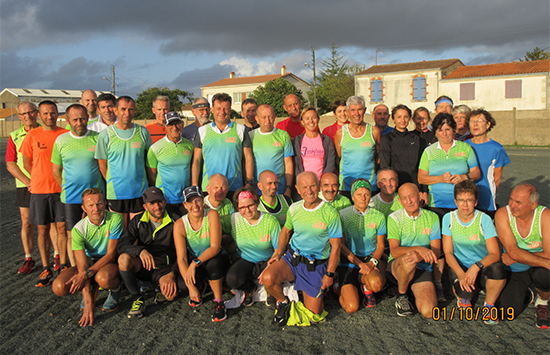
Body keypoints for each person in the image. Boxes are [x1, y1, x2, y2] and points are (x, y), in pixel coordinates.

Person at [260, 171, 343, 326]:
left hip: (315, 264)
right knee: (267, 278)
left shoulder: (330, 213)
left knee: (314, 314)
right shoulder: (294, 208)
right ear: (297, 189)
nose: (309, 191)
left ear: (318, 186)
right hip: (292, 258)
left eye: (312, 186)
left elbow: (336, 247)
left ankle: (303, 290)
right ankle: (283, 302)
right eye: (304, 187)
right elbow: (285, 231)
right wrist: (278, 253)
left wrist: (329, 274)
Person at [51, 188, 123, 327]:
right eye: (90, 205)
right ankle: (91, 288)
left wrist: (86, 275)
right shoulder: (78, 229)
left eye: (99, 204)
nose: (96, 209)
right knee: (59, 287)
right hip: (89, 262)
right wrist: (89, 303)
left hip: (108, 261)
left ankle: (115, 289)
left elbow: (110, 254)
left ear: (105, 203)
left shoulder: (115, 219)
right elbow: (82, 266)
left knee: (103, 278)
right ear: (83, 208)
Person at [442, 181, 506, 324]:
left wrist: (476, 267)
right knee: (466, 292)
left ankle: (489, 306)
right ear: (455, 201)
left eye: (469, 200)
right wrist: (461, 274)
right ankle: (463, 294)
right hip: (460, 266)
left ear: (476, 202)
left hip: (481, 267)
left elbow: (495, 254)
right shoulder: (448, 218)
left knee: (499, 270)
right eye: (461, 200)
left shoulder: (484, 219)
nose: (465, 204)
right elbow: (448, 253)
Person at [19, 100, 69, 286]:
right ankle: (46, 267)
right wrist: (38, 180)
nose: (50, 117)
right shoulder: (32, 135)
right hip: (40, 191)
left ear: (58, 114)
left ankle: (63, 264)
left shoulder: (65, 135)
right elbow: (26, 163)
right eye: (46, 114)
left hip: (61, 190)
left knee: (62, 228)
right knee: (42, 229)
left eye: (53, 113)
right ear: (39, 115)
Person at [52, 104, 104, 268]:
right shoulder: (61, 140)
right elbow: (56, 170)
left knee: (96, 232)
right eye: (75, 119)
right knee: (71, 234)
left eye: (82, 118)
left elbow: (104, 166)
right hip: (71, 197)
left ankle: (96, 266)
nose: (79, 122)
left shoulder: (98, 138)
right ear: (67, 120)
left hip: (95, 198)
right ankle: (76, 268)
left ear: (88, 118)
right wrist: (66, 187)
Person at [117, 187, 181, 319]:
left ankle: (160, 286)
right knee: (123, 259)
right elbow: (122, 245)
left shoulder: (176, 220)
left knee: (171, 295)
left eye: (159, 202)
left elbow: (184, 252)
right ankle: (137, 298)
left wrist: (172, 274)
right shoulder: (137, 221)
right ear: (145, 206)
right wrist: (140, 250)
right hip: (144, 267)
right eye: (152, 203)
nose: (157, 207)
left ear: (165, 201)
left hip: (165, 269)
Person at [495, 183, 549, 329]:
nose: (512, 205)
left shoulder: (545, 216)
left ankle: (542, 302)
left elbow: (549, 253)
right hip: (516, 270)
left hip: (537, 268)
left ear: (533, 205)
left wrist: (517, 256)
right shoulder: (502, 214)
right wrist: (545, 262)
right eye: (511, 200)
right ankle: (528, 293)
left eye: (518, 202)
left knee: (544, 275)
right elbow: (512, 251)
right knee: (507, 313)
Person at [95, 96, 152, 227]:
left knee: (137, 230)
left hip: (139, 191)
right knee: (119, 230)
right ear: (115, 110)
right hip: (116, 193)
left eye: (131, 109)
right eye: (123, 109)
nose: (127, 113)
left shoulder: (143, 132)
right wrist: (112, 182)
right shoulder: (105, 135)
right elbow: (102, 165)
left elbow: (148, 161)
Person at [386, 183, 441, 318]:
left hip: (422, 267)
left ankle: (412, 290)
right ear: (400, 201)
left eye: (412, 196)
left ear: (419, 196)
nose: (409, 201)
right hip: (399, 266)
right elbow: (394, 251)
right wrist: (418, 250)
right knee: (409, 259)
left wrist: (420, 256)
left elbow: (437, 251)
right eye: (404, 198)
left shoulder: (432, 217)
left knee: (429, 312)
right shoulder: (394, 218)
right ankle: (402, 295)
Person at [173, 186, 227, 322]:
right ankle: (201, 286)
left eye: (197, 200)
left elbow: (215, 248)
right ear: (185, 205)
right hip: (197, 263)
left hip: (216, 258)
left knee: (213, 264)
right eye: (190, 202)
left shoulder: (212, 215)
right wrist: (191, 287)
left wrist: (194, 264)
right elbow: (181, 258)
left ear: (203, 201)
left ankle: (218, 300)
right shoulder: (180, 224)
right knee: (182, 284)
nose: (194, 205)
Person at [225, 187, 281, 306]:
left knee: (272, 275)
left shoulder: (270, 221)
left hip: (268, 260)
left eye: (250, 205)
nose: (247, 210)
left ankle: (269, 288)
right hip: (246, 259)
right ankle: (250, 287)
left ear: (256, 203)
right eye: (242, 208)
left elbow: (279, 250)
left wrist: (269, 267)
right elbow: (218, 230)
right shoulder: (234, 219)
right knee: (231, 279)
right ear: (237, 208)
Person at [191, 93, 253, 199]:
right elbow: (196, 160)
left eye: (226, 108)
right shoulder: (202, 131)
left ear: (230, 109)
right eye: (218, 108)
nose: (222, 112)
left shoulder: (240, 129)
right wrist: (194, 185)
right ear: (212, 109)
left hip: (234, 188)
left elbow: (248, 158)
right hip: (209, 189)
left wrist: (248, 182)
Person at [338, 178, 387, 313]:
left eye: (366, 194)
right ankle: (342, 288)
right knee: (351, 307)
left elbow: (380, 246)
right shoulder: (343, 215)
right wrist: (360, 264)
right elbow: (341, 246)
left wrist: (372, 263)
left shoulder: (379, 216)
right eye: (359, 194)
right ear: (352, 197)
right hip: (348, 262)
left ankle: (366, 287)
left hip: (369, 260)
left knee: (376, 285)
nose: (363, 198)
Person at [418, 113, 480, 215]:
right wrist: (440, 179)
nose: (444, 133)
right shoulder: (429, 151)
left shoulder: (466, 148)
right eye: (440, 130)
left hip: (462, 205)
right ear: (435, 133)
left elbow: (476, 173)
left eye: (448, 129)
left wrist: (464, 177)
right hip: (436, 205)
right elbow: (421, 178)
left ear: (453, 130)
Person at [6, 102, 40, 274]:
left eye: (31, 112)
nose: (28, 116)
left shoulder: (46, 131)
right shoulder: (14, 136)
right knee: (27, 222)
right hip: (25, 185)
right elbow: (11, 164)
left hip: (46, 184)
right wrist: (28, 182)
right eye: (24, 113)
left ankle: (56, 258)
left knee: (50, 224)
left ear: (37, 113)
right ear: (19, 116)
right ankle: (29, 258)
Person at [146, 111, 193, 218]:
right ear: (165, 126)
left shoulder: (189, 145)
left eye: (177, 124)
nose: (174, 127)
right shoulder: (155, 148)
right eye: (170, 124)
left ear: (182, 125)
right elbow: (152, 174)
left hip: (185, 198)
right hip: (165, 199)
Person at [465, 109, 510, 217]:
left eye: (480, 120)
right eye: (472, 121)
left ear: (488, 124)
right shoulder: (464, 146)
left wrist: (491, 194)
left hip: (486, 198)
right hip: (466, 197)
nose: (475, 124)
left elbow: (497, 177)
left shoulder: (496, 148)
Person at [335, 95, 381, 196]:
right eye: (353, 110)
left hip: (370, 186)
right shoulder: (340, 133)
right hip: (347, 186)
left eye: (359, 109)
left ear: (364, 110)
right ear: (347, 112)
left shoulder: (374, 132)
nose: (356, 114)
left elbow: (377, 158)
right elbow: (339, 158)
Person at [249, 104, 294, 197]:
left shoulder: (283, 135)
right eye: (263, 117)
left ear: (274, 117)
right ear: (257, 118)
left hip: (279, 189)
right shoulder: (250, 136)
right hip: (257, 191)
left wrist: (288, 188)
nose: (267, 121)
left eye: (270, 117)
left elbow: (288, 163)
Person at [380, 104, 423, 190]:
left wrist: (423, 189)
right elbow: (385, 166)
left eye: (406, 117)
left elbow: (421, 165)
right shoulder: (387, 139)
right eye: (399, 117)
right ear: (393, 119)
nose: (403, 120)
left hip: (414, 185)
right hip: (396, 186)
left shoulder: (415, 138)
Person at [293, 107, 336, 180]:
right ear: (302, 122)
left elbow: (330, 163)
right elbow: (296, 164)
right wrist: (303, 182)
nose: (311, 121)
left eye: (314, 118)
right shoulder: (297, 141)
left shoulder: (327, 140)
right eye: (307, 118)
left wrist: (322, 181)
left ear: (318, 119)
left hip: (321, 184)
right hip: (304, 184)